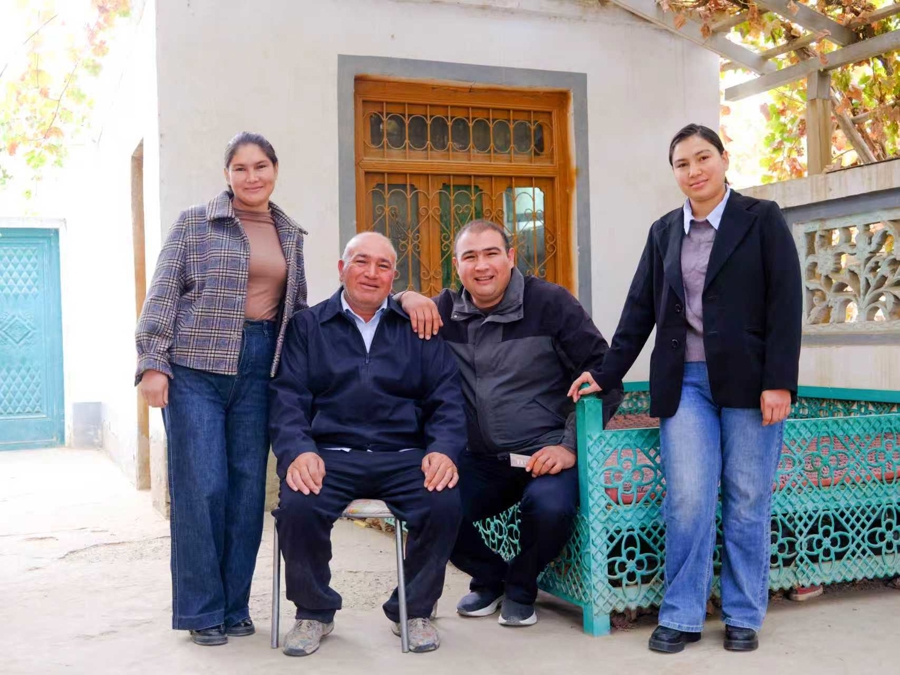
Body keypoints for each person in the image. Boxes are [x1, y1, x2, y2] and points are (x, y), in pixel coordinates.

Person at [571, 124, 802, 653]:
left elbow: (786, 302)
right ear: (673, 172)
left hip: (750, 382)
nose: (694, 171)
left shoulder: (761, 218)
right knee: (689, 499)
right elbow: (638, 310)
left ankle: (743, 614)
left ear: (723, 159)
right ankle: (682, 614)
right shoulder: (664, 231)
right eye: (682, 163)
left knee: (748, 498)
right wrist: (606, 372)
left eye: (703, 158)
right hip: (686, 383)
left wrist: (779, 382)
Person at [398, 220, 622, 627]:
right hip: (480, 458)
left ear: (511, 257)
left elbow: (605, 376)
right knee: (429, 503)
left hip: (546, 453)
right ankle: (491, 578)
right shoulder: (443, 311)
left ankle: (521, 585)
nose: (481, 266)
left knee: (550, 508)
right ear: (457, 265)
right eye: (470, 257)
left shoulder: (551, 303)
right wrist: (404, 297)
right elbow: (378, 320)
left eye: (491, 254)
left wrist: (569, 446)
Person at [135, 132, 307, 646]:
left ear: (275, 169)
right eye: (240, 168)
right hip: (195, 370)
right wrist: (152, 363)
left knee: (247, 492)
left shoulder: (290, 233)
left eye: (260, 166)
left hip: (260, 371)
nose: (251, 176)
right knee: (203, 487)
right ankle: (201, 609)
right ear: (227, 174)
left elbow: (297, 310)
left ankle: (234, 606)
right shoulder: (196, 222)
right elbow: (163, 293)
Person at [269, 232, 465, 656]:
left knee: (443, 502)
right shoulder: (308, 326)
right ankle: (313, 612)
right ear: (342, 269)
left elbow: (447, 398)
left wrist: (443, 450)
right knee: (298, 506)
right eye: (361, 262)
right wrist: (299, 451)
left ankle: (414, 610)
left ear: (394, 277)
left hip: (404, 455)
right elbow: (288, 399)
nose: (371, 273)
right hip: (330, 455)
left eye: (383, 265)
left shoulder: (418, 326)